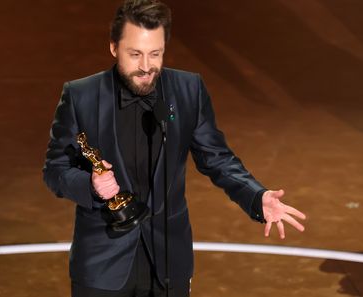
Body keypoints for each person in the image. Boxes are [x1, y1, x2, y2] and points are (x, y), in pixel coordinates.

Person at [43, 0, 306, 296]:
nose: (145, 67)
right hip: (103, 263)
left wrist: (256, 196)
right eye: (135, 54)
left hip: (168, 260)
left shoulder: (188, 90)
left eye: (155, 54)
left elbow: (216, 158)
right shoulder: (81, 96)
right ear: (114, 48)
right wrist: (90, 186)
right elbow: (55, 170)